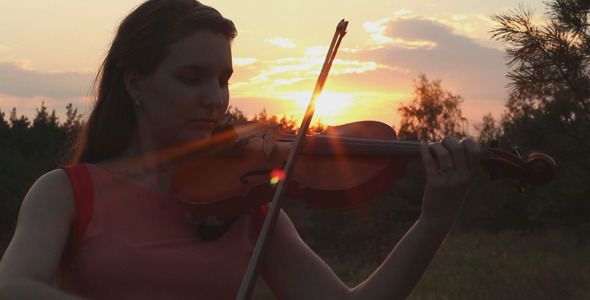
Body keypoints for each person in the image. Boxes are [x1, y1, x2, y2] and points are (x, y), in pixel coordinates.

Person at [0, 0, 482, 299]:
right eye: (192, 78)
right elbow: (12, 286)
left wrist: (434, 220)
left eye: (223, 80)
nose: (215, 98)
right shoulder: (66, 192)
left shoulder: (244, 206)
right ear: (135, 83)